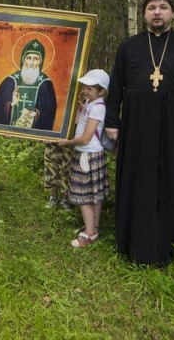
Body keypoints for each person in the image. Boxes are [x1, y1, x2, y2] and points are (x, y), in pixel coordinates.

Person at [105, 0, 174, 265]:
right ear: (144, 14)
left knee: (167, 181)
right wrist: (112, 122)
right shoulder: (129, 46)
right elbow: (116, 86)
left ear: (173, 12)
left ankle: (163, 242)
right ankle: (129, 242)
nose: (157, 12)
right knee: (134, 178)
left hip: (173, 125)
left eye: (163, 7)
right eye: (151, 8)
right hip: (136, 124)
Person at [58, 70, 110, 248]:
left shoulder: (98, 107)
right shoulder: (90, 104)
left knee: (84, 196)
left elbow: (86, 137)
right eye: (85, 87)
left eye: (90, 88)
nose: (85, 90)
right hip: (88, 154)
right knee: (94, 195)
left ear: (101, 91)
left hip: (88, 154)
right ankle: (93, 227)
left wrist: (67, 142)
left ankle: (89, 233)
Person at [0, 39, 57, 130]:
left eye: (36, 59)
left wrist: (36, 114)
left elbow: (49, 113)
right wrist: (11, 104)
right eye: (29, 58)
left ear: (41, 62)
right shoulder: (10, 81)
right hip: (9, 134)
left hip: (32, 137)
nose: (31, 63)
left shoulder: (45, 84)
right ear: (23, 59)